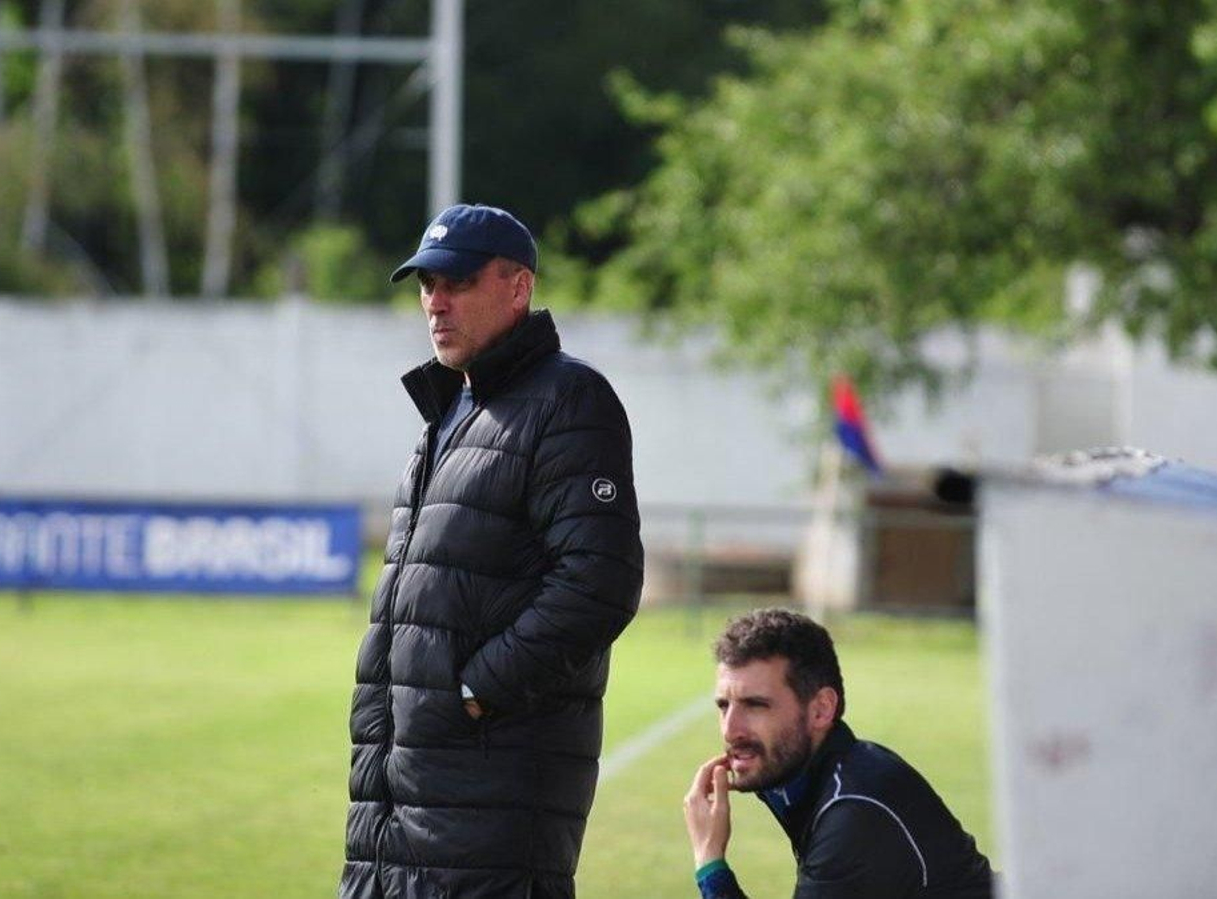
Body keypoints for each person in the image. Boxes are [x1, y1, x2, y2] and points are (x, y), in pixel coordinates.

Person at [340, 204, 644, 898]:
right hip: (394, 817)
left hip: (490, 815)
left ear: (518, 288)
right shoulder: (448, 413)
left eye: (456, 282)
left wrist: (476, 690)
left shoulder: (570, 399)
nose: (435, 302)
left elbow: (600, 581)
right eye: (425, 285)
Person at [684, 609, 994, 899]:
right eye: (723, 705)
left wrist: (710, 862)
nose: (730, 730)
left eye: (756, 705)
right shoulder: (835, 773)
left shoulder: (853, 813)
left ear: (820, 710)